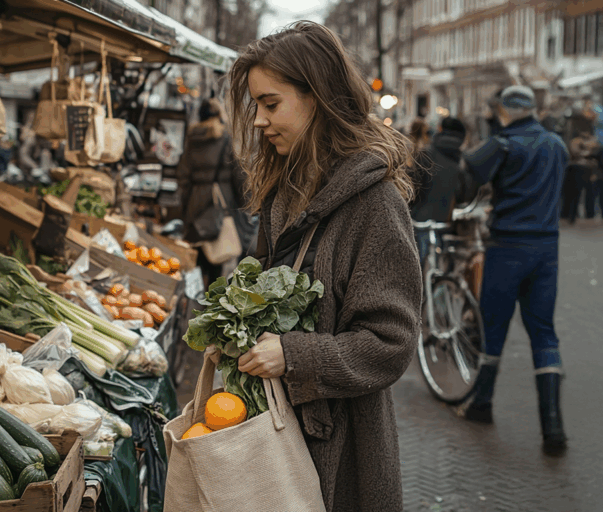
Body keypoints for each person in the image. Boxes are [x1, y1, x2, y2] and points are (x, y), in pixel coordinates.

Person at [224, 21, 421, 512]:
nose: (259, 121)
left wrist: (296, 356)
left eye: (271, 104)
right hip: (274, 433)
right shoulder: (284, 191)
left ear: (319, 98)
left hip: (341, 450)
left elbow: (391, 344)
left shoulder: (375, 204)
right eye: (256, 107)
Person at [461, 85, 570, 456]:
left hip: (507, 248)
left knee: (494, 328)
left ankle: (482, 403)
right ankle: (553, 426)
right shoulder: (557, 144)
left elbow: (470, 169)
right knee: (544, 333)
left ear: (505, 110)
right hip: (546, 249)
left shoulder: (503, 143)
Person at [176, 98, 245, 285]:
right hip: (219, 201)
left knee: (196, 254)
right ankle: (211, 300)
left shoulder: (192, 139)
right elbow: (238, 173)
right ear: (218, 115)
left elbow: (183, 175)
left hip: (195, 202)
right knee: (217, 253)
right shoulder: (225, 139)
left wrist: (185, 206)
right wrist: (243, 201)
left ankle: (194, 297)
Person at [409, 116, 470, 258]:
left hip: (420, 222)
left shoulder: (426, 154)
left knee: (421, 269)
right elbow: (464, 194)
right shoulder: (463, 160)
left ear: (440, 130)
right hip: (448, 224)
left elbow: (412, 187)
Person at [565, 119, 600, 225]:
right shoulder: (576, 141)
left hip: (586, 168)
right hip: (578, 168)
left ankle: (588, 214)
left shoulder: (588, 140)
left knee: (587, 193)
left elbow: (595, 152)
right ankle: (573, 215)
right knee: (575, 193)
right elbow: (576, 152)